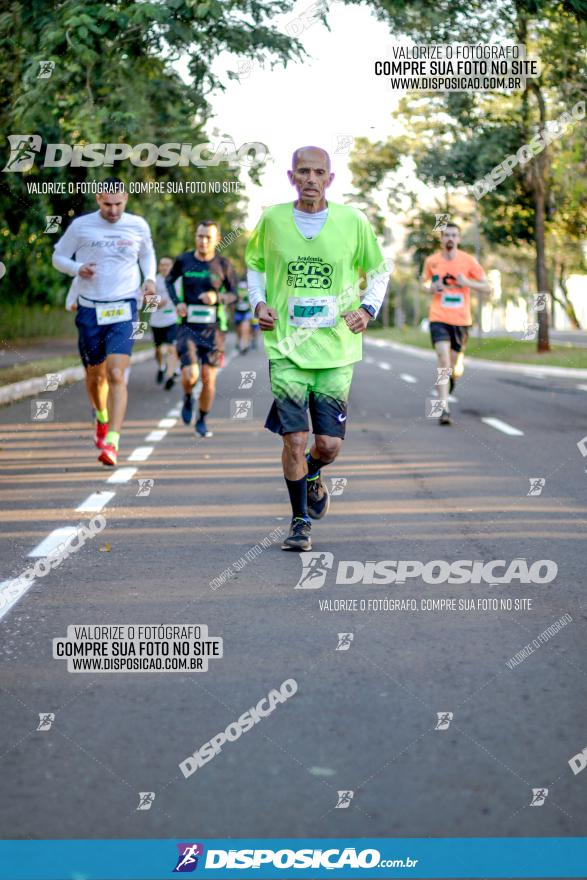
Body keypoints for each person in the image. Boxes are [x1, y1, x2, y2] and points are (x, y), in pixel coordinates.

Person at [245, 146, 388, 551]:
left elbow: (379, 271)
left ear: (330, 178)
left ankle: (313, 473)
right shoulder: (272, 219)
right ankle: (299, 521)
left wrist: (367, 308)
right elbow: (255, 265)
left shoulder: (352, 221)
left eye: (318, 172)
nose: (310, 178)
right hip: (286, 349)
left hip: (336, 349)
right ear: (291, 177)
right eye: (303, 172)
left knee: (327, 445)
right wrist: (258, 302)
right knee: (294, 438)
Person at [53, 177, 156, 465]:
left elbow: (147, 255)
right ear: (99, 198)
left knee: (116, 375)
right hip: (90, 309)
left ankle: (112, 442)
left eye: (119, 204)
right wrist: (77, 267)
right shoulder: (81, 226)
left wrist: (149, 279)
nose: (113, 210)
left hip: (124, 307)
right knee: (95, 376)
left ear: (126, 199)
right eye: (108, 204)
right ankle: (101, 415)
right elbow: (58, 257)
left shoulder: (137, 225)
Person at [165, 221, 238, 438]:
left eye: (208, 237)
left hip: (214, 329)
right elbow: (169, 282)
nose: (203, 241)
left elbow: (234, 294)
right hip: (188, 327)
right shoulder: (184, 260)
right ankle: (188, 397)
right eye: (200, 236)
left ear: (217, 240)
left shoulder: (223, 265)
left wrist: (218, 297)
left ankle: (202, 419)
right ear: (195, 237)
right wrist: (178, 302)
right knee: (190, 375)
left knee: (208, 377)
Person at [421, 223, 491, 425]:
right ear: (441, 239)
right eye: (446, 235)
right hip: (438, 318)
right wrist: (431, 287)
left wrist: (466, 282)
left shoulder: (468, 261)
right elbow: (424, 283)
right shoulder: (432, 261)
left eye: (454, 235)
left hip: (461, 321)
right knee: (443, 361)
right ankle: (444, 408)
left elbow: (488, 288)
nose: (450, 238)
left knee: (455, 366)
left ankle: (452, 377)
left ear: (459, 239)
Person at [149, 256, 179, 390]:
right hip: (156, 321)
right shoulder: (153, 281)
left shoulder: (178, 280)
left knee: (171, 348)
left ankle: (170, 376)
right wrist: (157, 303)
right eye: (162, 264)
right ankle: (161, 367)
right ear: (158, 266)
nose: (165, 267)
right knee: (159, 350)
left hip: (173, 319)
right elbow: (143, 301)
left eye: (168, 265)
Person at [234, 280, 252, 353]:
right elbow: (232, 304)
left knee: (245, 329)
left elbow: (252, 304)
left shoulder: (249, 293)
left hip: (246, 312)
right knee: (238, 330)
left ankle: (244, 345)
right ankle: (239, 342)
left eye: (244, 288)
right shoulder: (236, 293)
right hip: (238, 312)